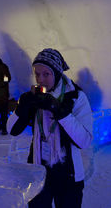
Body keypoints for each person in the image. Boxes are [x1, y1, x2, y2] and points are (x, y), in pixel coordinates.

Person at [7, 48, 93, 208]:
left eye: (46, 74)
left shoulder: (75, 97)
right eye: (37, 74)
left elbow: (84, 141)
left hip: (68, 173)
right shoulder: (34, 97)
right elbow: (12, 130)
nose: (40, 79)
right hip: (38, 171)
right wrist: (22, 107)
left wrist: (59, 111)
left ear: (57, 73)